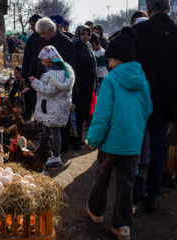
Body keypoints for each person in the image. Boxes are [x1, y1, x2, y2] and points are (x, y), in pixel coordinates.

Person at [86, 27, 153, 240]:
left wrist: (93, 139)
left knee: (102, 177)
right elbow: (148, 109)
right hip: (133, 142)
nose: (108, 63)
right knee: (126, 182)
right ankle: (122, 226)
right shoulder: (143, 79)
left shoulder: (111, 80)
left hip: (110, 143)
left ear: (118, 58)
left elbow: (102, 114)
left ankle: (96, 212)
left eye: (110, 59)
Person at [132, 0, 177, 212]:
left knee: (130, 143)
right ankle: (152, 195)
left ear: (148, 8)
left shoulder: (138, 31)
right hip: (167, 100)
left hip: (139, 97)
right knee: (158, 147)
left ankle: (137, 185)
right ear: (168, 9)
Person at [29, 45, 75, 168]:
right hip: (51, 108)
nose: (42, 63)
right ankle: (47, 153)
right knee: (47, 130)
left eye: (43, 60)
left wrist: (35, 82)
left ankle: (55, 156)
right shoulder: (60, 72)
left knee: (54, 132)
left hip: (53, 108)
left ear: (49, 60)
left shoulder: (56, 74)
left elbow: (49, 92)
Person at [36, 17, 76, 154]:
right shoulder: (43, 40)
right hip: (47, 86)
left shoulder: (66, 42)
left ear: (51, 30)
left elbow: (70, 67)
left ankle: (60, 150)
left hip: (60, 87)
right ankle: (49, 149)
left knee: (58, 124)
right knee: (48, 123)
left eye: (43, 34)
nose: (41, 37)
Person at [71, 25, 97, 150]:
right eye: (83, 34)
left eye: (87, 34)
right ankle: (75, 140)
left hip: (88, 85)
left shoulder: (88, 47)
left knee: (85, 112)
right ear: (78, 34)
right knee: (78, 113)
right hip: (77, 85)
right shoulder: (73, 46)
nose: (85, 36)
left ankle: (79, 138)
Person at [20, 14, 43, 119]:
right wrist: (24, 76)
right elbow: (26, 58)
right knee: (35, 101)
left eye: (33, 25)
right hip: (33, 76)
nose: (31, 28)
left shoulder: (47, 37)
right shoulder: (31, 39)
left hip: (46, 76)